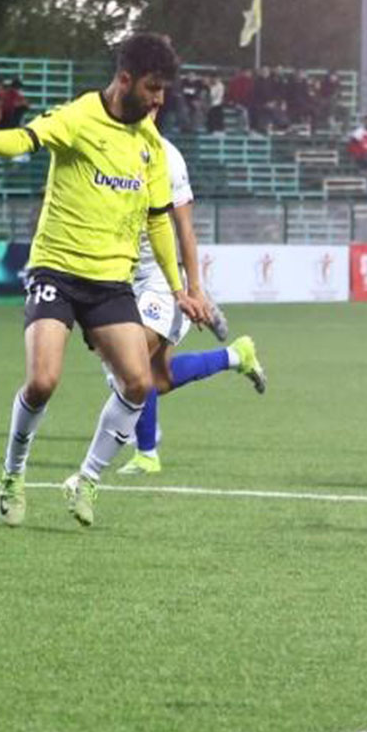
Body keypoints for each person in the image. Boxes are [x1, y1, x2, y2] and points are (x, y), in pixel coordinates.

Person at [0, 33, 210, 529]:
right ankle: (13, 474)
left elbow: (159, 220)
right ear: (125, 79)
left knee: (139, 382)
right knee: (43, 381)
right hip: (57, 269)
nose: (159, 100)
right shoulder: (78, 117)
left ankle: (87, 479)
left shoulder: (150, 145)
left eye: (164, 90)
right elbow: (23, 140)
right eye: (153, 88)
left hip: (111, 282)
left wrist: (180, 289)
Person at [117, 132, 263, 476]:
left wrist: (194, 288)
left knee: (130, 361)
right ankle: (236, 356)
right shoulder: (103, 144)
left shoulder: (167, 156)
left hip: (160, 277)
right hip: (119, 273)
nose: (150, 111)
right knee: (159, 378)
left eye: (156, 106)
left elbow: (184, 229)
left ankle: (147, 452)